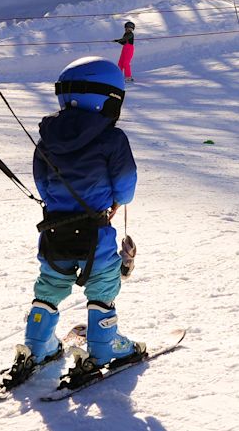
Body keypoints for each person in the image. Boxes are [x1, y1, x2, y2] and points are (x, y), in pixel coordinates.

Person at [9, 57, 144, 388]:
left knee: (50, 284)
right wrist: (115, 201)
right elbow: (125, 184)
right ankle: (104, 346)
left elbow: (42, 181)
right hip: (95, 233)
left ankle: (36, 345)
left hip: (55, 230)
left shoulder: (47, 138)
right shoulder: (112, 138)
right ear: (108, 100)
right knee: (103, 284)